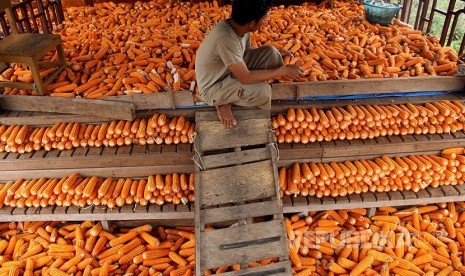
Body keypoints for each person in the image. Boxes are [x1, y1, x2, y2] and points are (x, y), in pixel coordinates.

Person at [195, 0, 305, 128]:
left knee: (272, 53)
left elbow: (244, 52)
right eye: (263, 19)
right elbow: (245, 77)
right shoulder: (225, 39)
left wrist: (278, 53)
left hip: (228, 71)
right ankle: (222, 103)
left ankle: (232, 95)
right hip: (214, 86)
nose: (264, 23)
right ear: (252, 22)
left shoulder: (240, 27)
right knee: (263, 91)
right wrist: (282, 70)